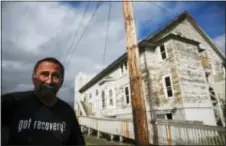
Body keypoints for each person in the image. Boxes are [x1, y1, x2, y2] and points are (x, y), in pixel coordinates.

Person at [1, 57, 85, 145]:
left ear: (61, 82)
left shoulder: (67, 112)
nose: (49, 81)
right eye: (44, 74)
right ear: (34, 79)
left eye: (55, 76)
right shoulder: (11, 102)